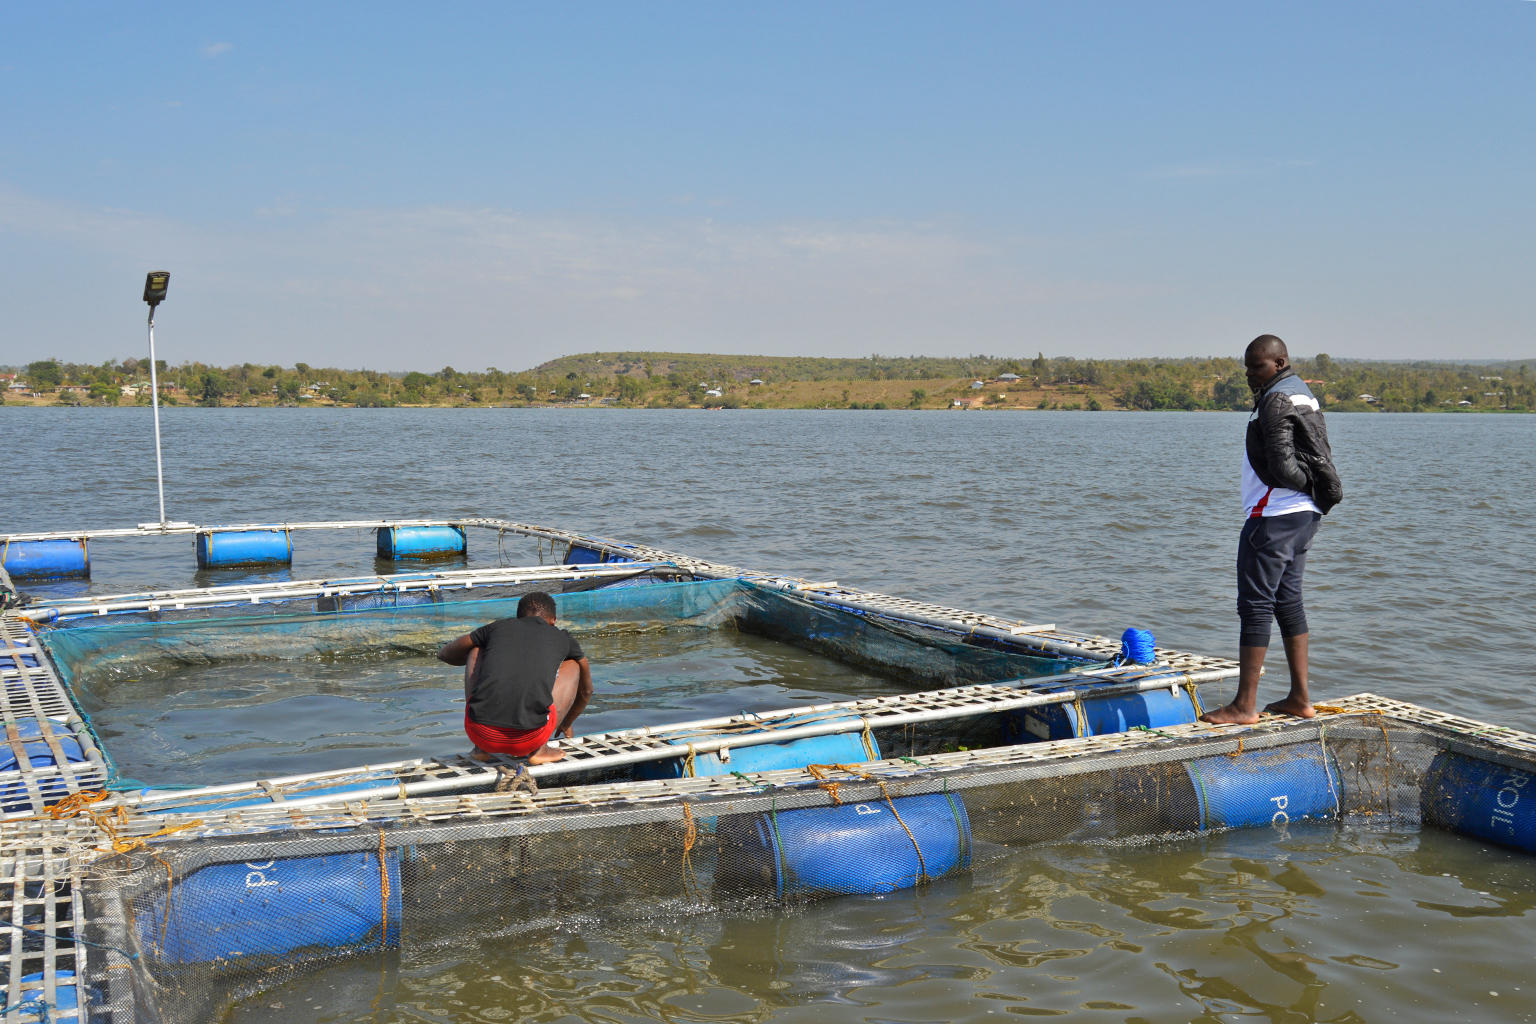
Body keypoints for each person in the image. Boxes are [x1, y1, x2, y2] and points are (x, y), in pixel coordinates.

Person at [1202, 335, 1343, 726]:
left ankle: (1244, 707)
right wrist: (1313, 492)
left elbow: (1282, 466)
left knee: (1255, 604)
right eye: (1246, 367)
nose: (1249, 374)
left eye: (1256, 366)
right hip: (1303, 517)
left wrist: (1303, 486)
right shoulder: (1301, 393)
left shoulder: (1276, 398)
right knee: (1287, 600)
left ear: (1279, 363)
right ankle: (1300, 698)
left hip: (1274, 516)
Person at [436, 591, 593, 764]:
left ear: (518, 617)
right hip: (530, 739)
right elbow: (586, 691)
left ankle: (480, 749)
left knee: (476, 649)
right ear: (553, 621)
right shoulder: (562, 637)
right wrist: (566, 723)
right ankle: (540, 750)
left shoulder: (497, 627)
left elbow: (444, 654)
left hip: (479, 733)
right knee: (573, 664)